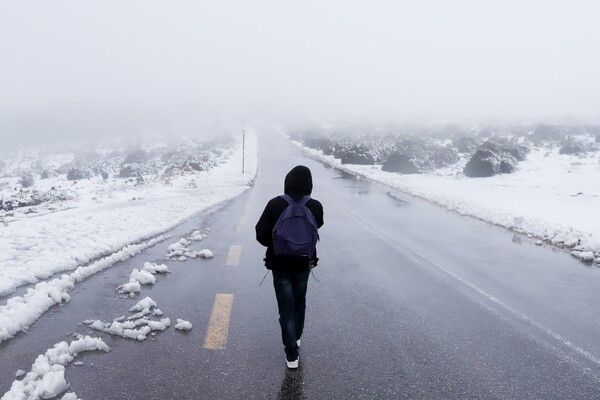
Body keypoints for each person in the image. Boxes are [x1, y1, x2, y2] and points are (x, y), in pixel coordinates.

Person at [255, 165, 324, 369]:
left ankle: (291, 355)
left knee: (285, 309)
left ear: (287, 183)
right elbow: (317, 227)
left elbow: (261, 233)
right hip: (304, 263)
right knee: (299, 301)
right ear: (309, 185)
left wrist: (279, 244)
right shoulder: (315, 206)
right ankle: (297, 336)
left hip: (280, 264)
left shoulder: (275, 204)